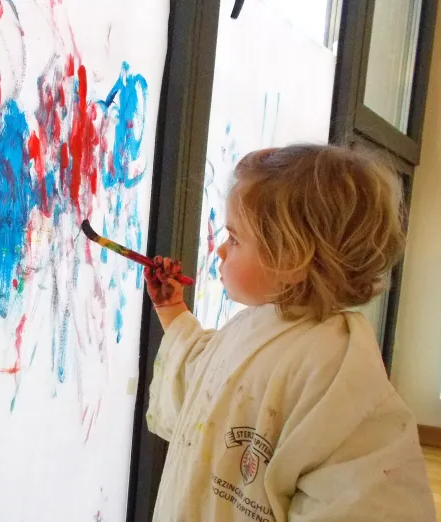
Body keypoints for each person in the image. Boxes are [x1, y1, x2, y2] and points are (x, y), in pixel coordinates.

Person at [144, 144, 435, 522]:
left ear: (292, 258)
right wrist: (172, 309)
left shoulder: (339, 369)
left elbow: (368, 498)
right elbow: (203, 386)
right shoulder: (254, 325)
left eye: (234, 238)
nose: (220, 250)